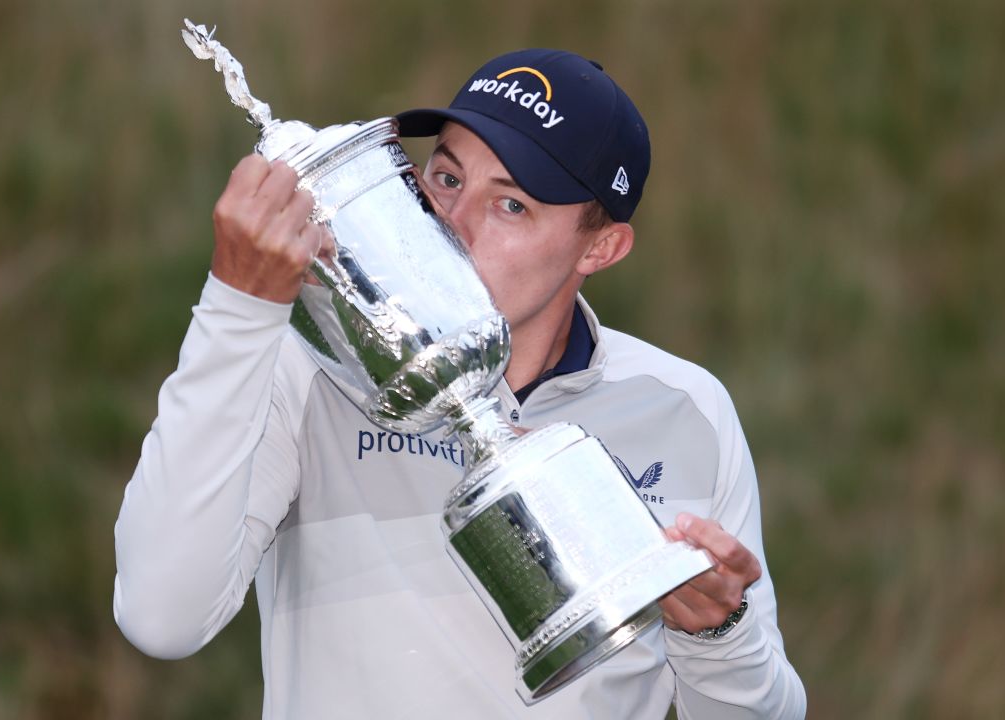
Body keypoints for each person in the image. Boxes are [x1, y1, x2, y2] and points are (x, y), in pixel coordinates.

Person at [113, 48, 806, 719]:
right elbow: (160, 617)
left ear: (600, 247)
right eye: (446, 179)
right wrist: (240, 305)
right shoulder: (312, 370)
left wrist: (718, 634)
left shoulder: (686, 406)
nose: (453, 223)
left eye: (512, 207)